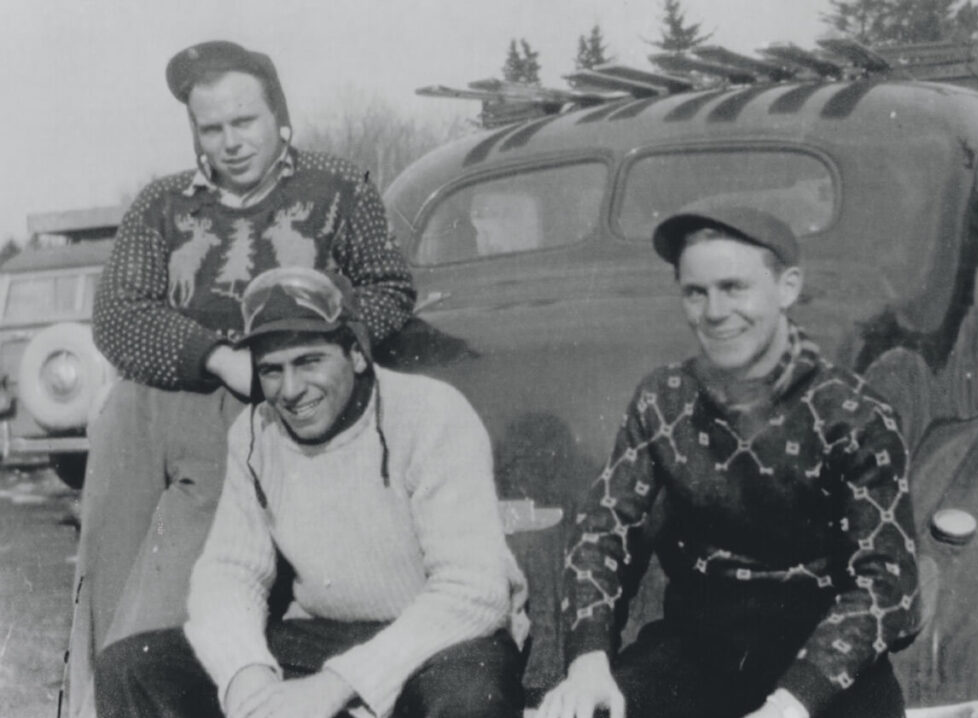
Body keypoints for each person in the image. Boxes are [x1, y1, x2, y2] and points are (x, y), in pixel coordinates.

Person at [68, 41, 415, 718]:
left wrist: (309, 352)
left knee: (171, 609)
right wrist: (218, 357)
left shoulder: (337, 187)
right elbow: (117, 314)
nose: (230, 143)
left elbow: (389, 288)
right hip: (149, 410)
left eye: (244, 122)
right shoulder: (163, 204)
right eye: (212, 128)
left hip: (256, 415)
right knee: (106, 576)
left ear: (278, 116)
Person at [537, 207, 920, 718]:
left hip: (827, 666)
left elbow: (885, 583)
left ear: (787, 288)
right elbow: (605, 530)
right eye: (695, 292)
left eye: (734, 287)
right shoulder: (664, 397)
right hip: (699, 651)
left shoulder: (855, 414)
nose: (714, 312)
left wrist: (791, 704)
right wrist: (588, 661)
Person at [94, 266, 527, 718]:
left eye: (308, 362)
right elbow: (230, 572)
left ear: (356, 354)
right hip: (325, 633)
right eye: (271, 370)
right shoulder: (255, 431)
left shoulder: (431, 413)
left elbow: (473, 590)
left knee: (467, 697)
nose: (291, 390)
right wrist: (247, 677)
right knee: (130, 668)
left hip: (439, 637)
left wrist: (335, 686)